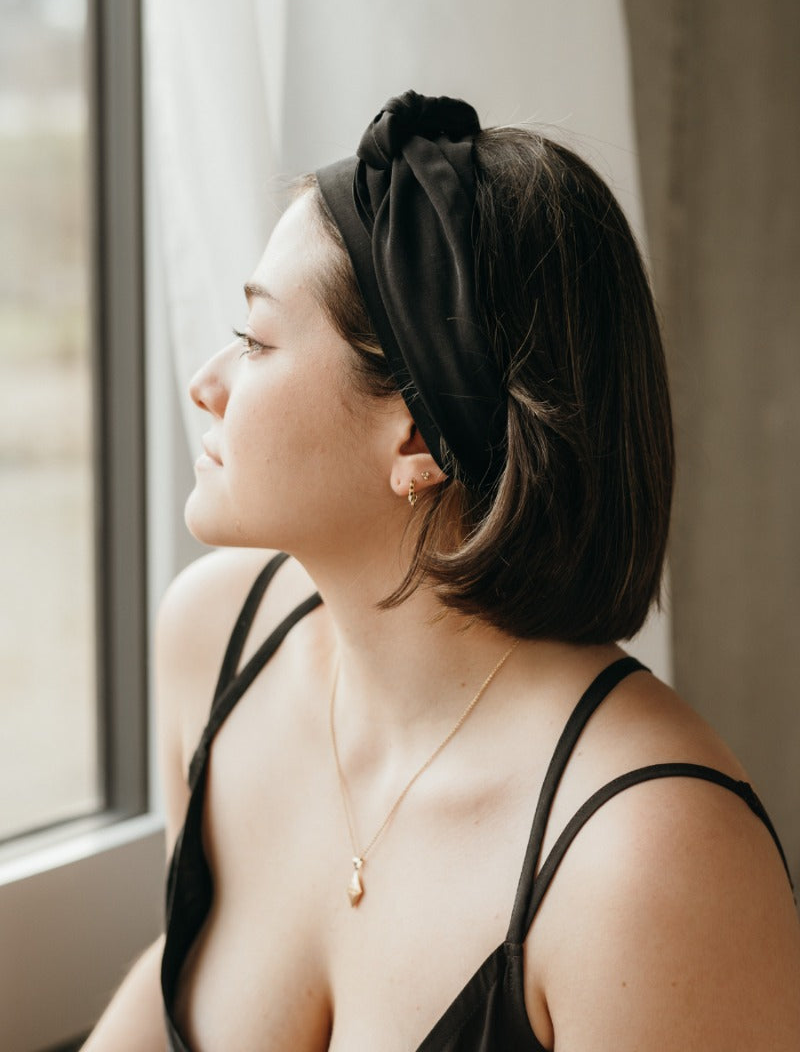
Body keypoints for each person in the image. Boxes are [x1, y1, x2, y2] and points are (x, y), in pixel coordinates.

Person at [83, 91, 800, 1051]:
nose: (205, 382)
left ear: (415, 434)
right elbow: (176, 973)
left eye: (255, 340)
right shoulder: (216, 639)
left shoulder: (652, 857)